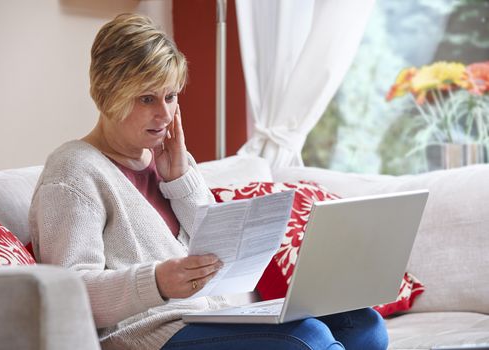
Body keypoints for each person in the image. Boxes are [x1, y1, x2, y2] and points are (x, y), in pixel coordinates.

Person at [29, 13, 389, 350]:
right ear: (106, 95)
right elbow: (68, 294)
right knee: (307, 338)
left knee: (363, 325)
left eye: (170, 96)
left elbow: (223, 250)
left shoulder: (166, 159)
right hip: (154, 333)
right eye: (147, 99)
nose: (165, 114)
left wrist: (181, 178)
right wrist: (156, 282)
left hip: (212, 314)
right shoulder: (73, 171)